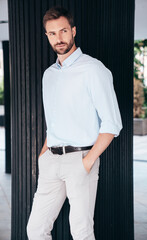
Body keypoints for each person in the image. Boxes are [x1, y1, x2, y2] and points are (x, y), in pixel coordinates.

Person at [26, 5, 123, 240]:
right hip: (51, 161)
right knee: (35, 230)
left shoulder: (93, 69)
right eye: (52, 33)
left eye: (63, 31)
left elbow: (112, 124)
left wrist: (87, 162)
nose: (59, 38)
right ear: (46, 36)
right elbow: (55, 121)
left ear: (73, 31)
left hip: (80, 160)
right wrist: (43, 155)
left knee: (80, 233)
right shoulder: (49, 75)